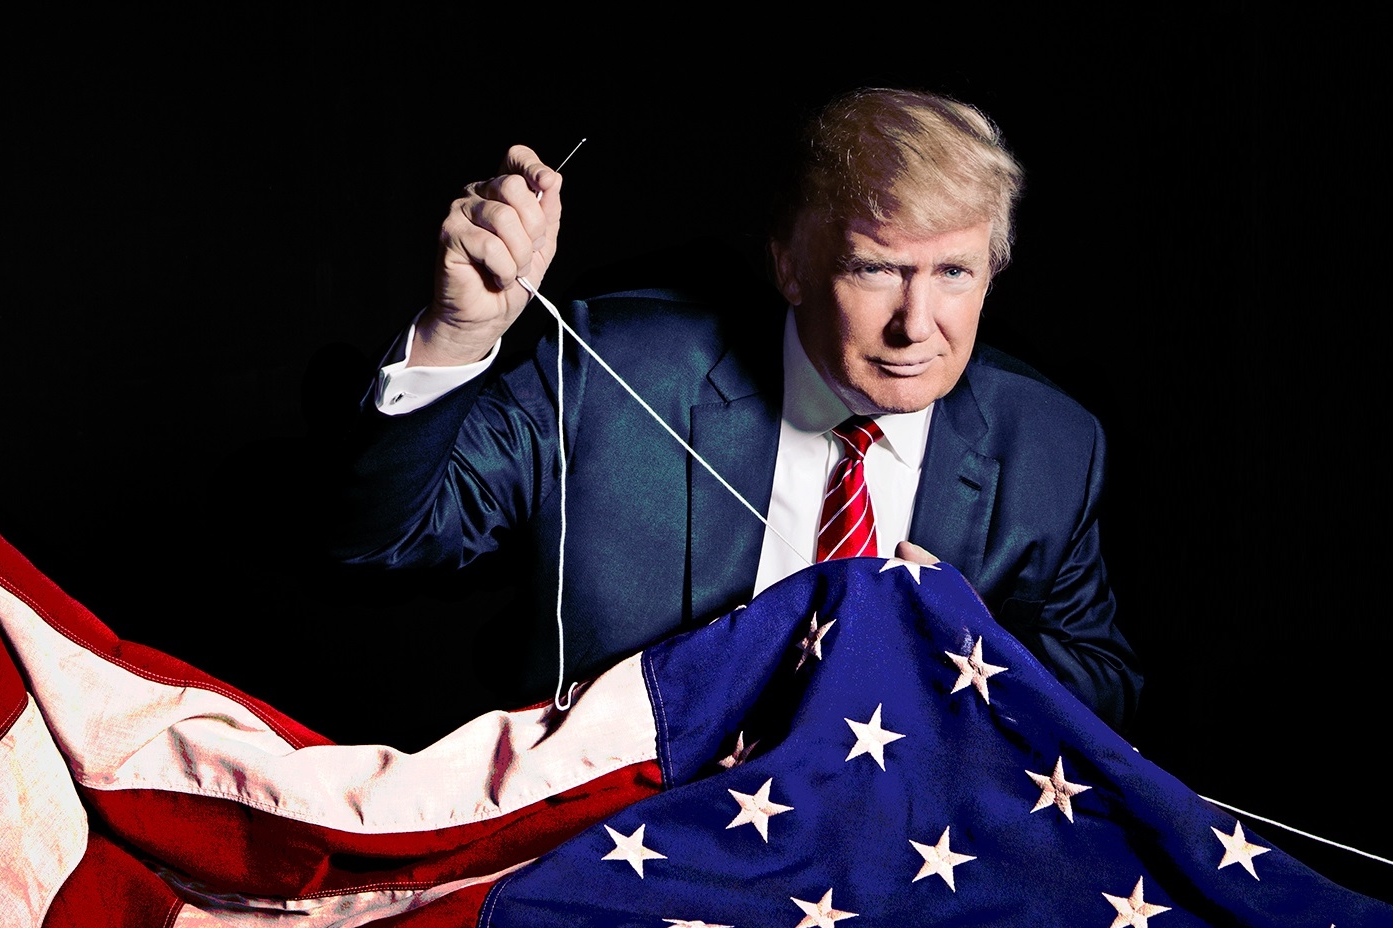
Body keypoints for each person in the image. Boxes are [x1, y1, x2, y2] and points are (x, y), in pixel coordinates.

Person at [331, 89, 1143, 728]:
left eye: (955, 274)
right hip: (625, 857)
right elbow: (381, 545)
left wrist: (973, 651)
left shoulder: (1051, 445)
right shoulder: (611, 374)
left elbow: (1105, 682)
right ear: (790, 266)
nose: (916, 324)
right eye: (874, 270)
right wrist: (454, 335)